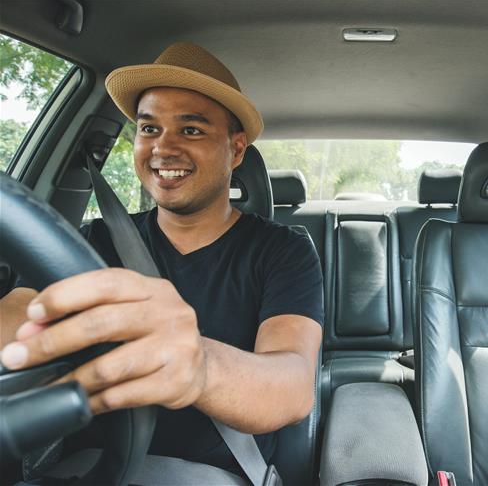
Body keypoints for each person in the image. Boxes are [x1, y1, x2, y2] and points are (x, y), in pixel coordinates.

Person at [0, 42, 323, 473]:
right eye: (149, 129)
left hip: (216, 476)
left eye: (191, 130)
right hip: (88, 469)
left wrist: (199, 366)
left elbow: (293, 386)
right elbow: (15, 320)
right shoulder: (88, 241)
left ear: (237, 149)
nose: (162, 148)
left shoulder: (282, 251)